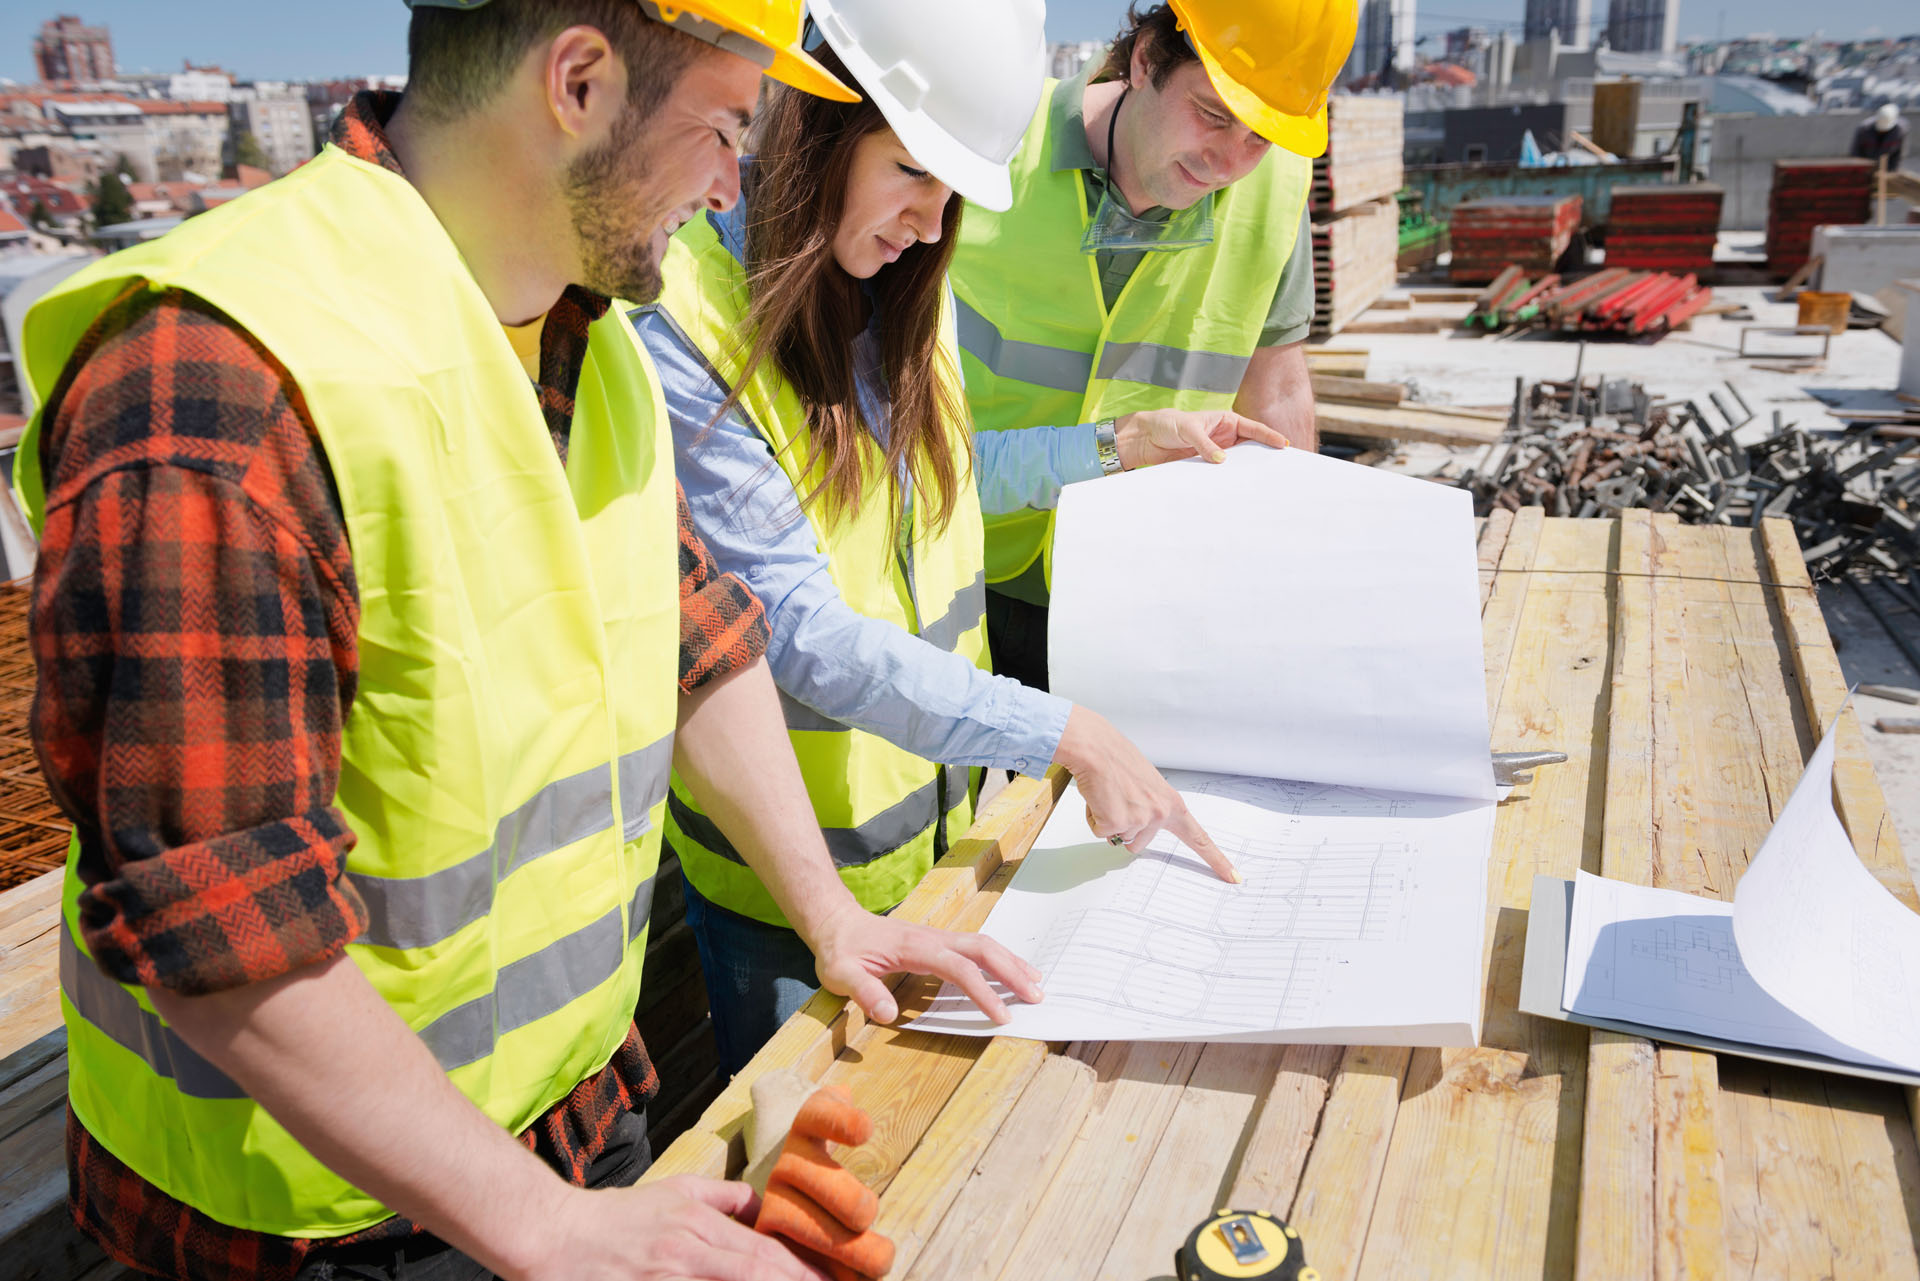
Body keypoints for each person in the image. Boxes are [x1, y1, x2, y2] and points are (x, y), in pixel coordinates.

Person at [15, 3, 1040, 1278]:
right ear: (579, 83)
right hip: (309, 1225)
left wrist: (832, 918)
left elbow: (700, 640)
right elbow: (219, 922)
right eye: (723, 128)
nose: (735, 181)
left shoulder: (582, 345)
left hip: (567, 1132)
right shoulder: (218, 386)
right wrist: (544, 1224)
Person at [636, 0, 1285, 1074]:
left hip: (931, 851)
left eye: (950, 193)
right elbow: (791, 630)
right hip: (793, 894)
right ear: (818, 127)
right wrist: (1062, 731)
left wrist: (1120, 444)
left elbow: (939, 482)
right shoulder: (684, 324)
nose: (930, 225)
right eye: (910, 174)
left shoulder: (888, 281)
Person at [949, 0, 1358, 691]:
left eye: (1260, 136)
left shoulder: (1276, 192)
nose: (1229, 161)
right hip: (957, 551)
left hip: (1129, 587)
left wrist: (1294, 572)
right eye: (1214, 113)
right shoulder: (997, 143)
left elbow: (1280, 387)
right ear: (1145, 60)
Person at [1852, 103, 1908, 171]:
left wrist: (1893, 170)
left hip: (1887, 165)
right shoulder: (1864, 129)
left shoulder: (1899, 131)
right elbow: (1856, 151)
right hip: (1866, 164)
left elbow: (1898, 153)